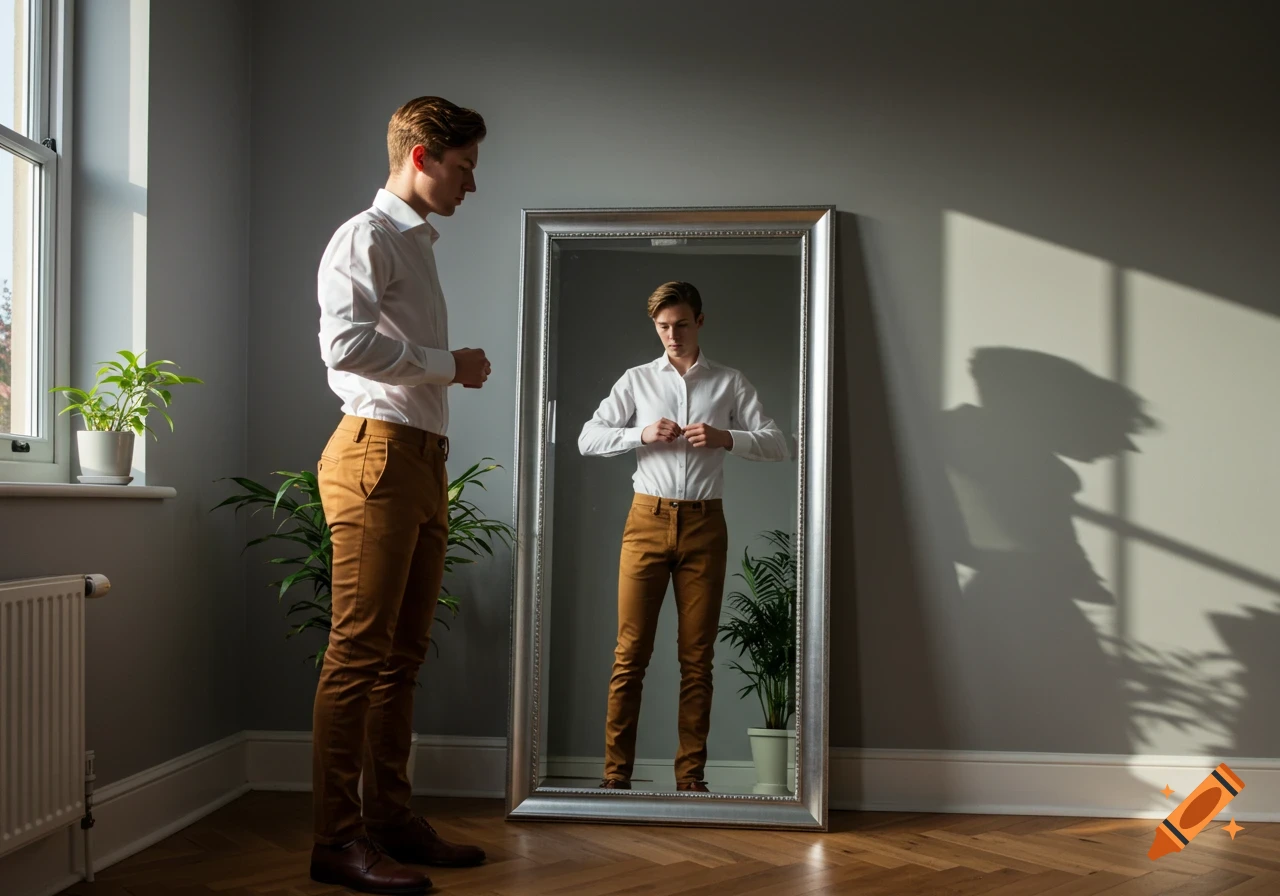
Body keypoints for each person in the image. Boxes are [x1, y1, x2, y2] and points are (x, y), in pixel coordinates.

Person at [309, 96, 491, 896]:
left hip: (418, 460)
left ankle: (388, 821)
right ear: (421, 156)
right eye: (463, 168)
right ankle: (334, 841)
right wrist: (448, 363)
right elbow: (344, 344)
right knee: (357, 653)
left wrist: (438, 371)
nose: (471, 185)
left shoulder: (416, 246)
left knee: (401, 658)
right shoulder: (368, 235)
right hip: (376, 456)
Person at [578, 280, 789, 792]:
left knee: (697, 659)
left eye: (681, 324)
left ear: (700, 321)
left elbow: (779, 443)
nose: (672, 335)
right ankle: (615, 778)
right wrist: (639, 434)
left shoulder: (729, 383)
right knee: (630, 654)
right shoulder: (636, 380)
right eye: (662, 327)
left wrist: (726, 437)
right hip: (645, 521)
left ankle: (690, 779)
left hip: (704, 524)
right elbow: (588, 437)